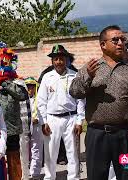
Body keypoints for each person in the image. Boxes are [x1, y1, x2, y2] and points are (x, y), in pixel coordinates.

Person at [69, 25, 128, 180]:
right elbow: (74, 92)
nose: (121, 43)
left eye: (123, 39)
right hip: (97, 136)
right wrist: (87, 77)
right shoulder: (91, 68)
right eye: (115, 40)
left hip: (126, 136)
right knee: (96, 175)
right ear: (103, 45)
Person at [37, 44, 85, 180]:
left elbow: (80, 100)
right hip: (52, 119)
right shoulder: (47, 77)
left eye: (61, 59)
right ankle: (49, 177)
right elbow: (41, 102)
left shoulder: (74, 76)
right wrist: (44, 122)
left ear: (66, 60)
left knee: (73, 153)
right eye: (56, 59)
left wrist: (79, 120)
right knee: (50, 152)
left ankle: (74, 177)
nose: (59, 62)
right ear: (52, 61)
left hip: (71, 118)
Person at [0, 43, 29, 180]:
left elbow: (22, 95)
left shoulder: (17, 82)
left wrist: (5, 82)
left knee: (14, 161)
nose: (2, 65)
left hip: (11, 129)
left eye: (4, 63)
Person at [24, 77, 44, 180]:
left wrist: (38, 120)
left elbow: (44, 112)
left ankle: (35, 173)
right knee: (24, 150)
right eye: (27, 87)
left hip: (36, 126)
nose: (29, 90)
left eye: (32, 87)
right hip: (24, 127)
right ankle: (25, 174)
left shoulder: (39, 100)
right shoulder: (21, 100)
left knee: (36, 149)